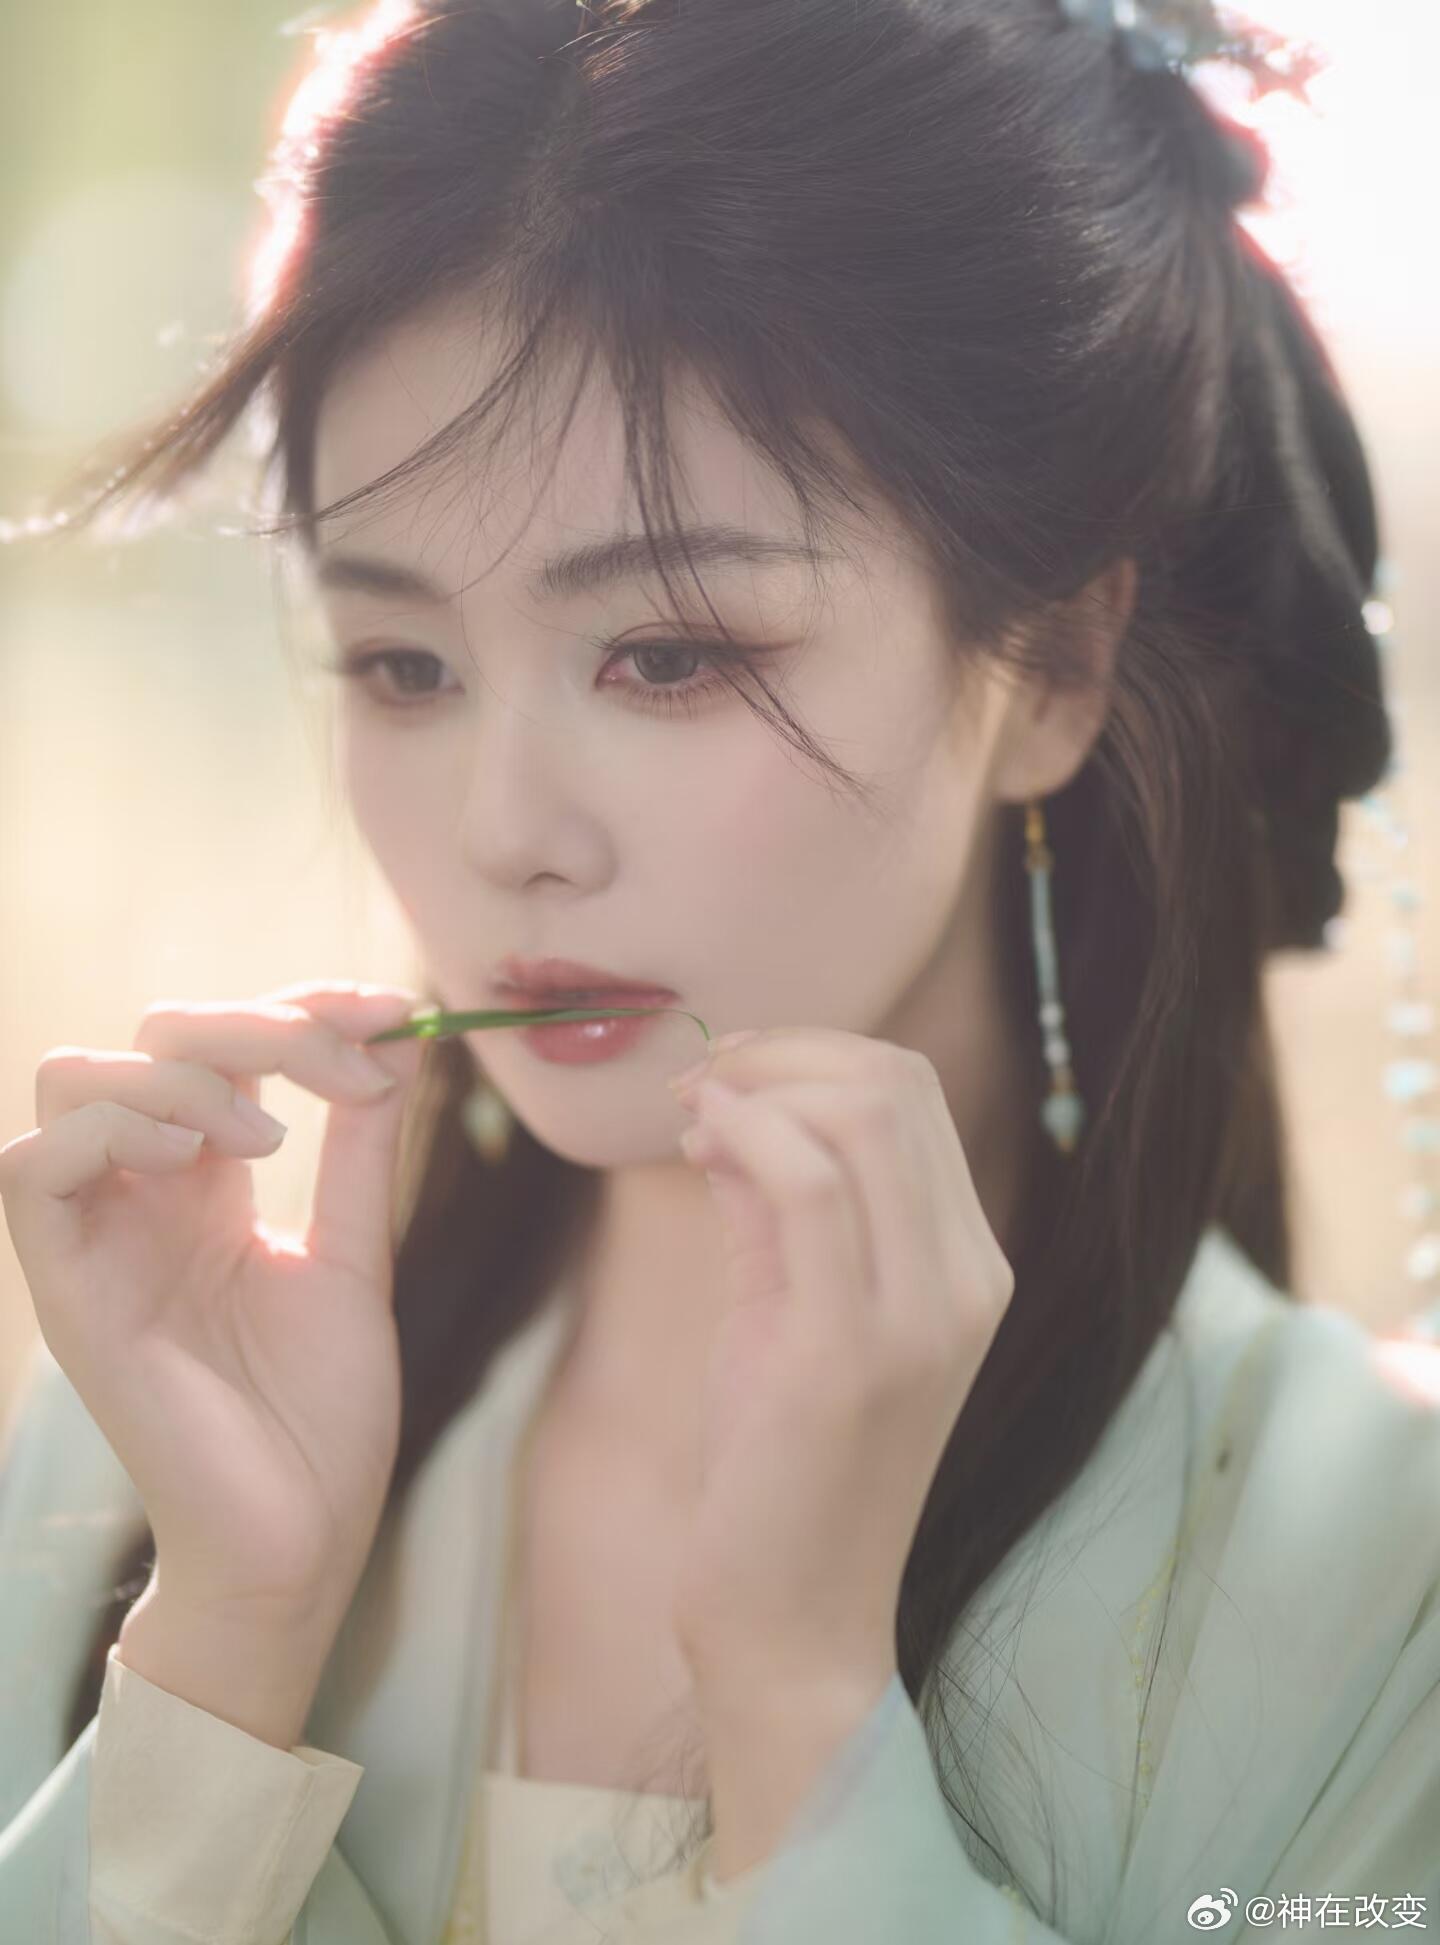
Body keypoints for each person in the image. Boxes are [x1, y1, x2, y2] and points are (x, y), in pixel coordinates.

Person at [1, 0, 1437, 1940]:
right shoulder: (155, 1435)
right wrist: (229, 1640)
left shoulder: (1383, 1566)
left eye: (669, 654)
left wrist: (804, 1709)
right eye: (405, 664)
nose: (506, 826)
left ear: (1053, 665)